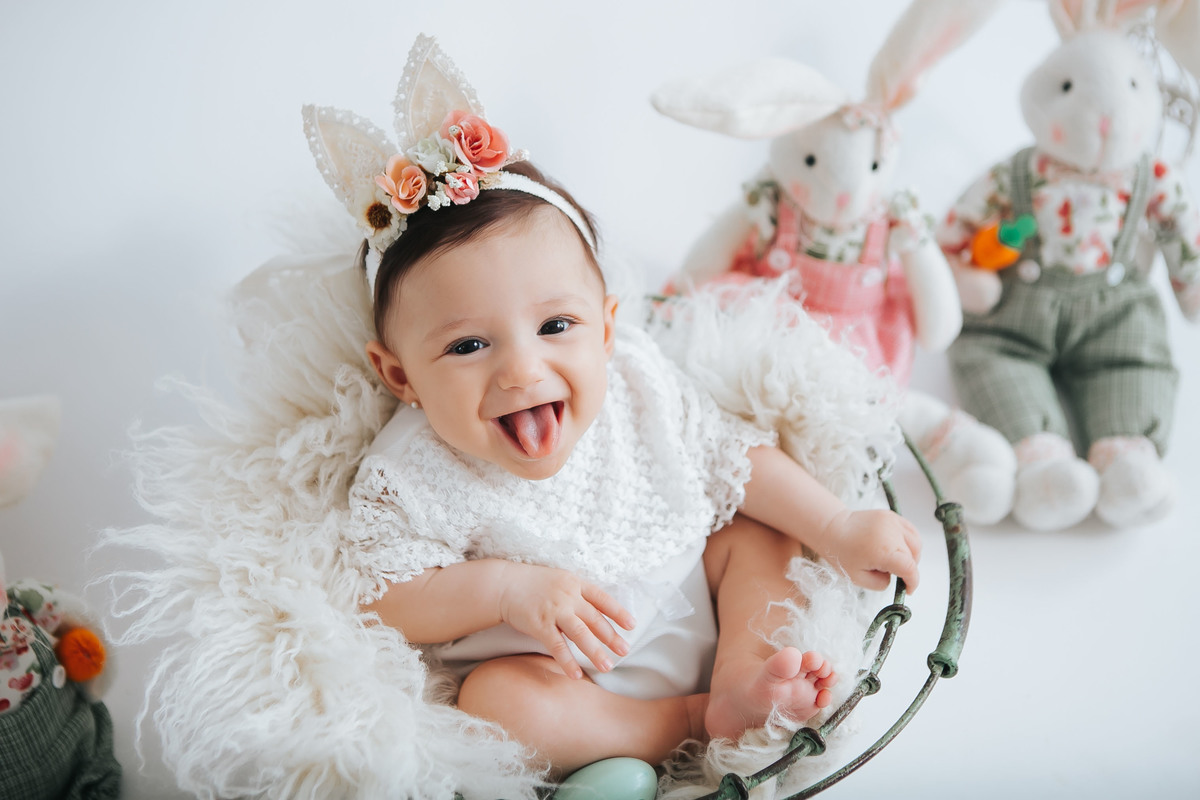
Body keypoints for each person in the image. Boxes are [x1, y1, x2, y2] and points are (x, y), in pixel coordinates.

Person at [342, 141, 921, 773]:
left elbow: (732, 455)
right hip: (563, 670)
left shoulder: (637, 382)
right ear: (400, 376)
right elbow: (385, 593)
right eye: (469, 345)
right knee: (495, 702)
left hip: (694, 589)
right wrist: (507, 591)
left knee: (757, 531)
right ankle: (687, 722)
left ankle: (743, 672)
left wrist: (836, 526)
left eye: (555, 326)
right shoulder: (407, 472)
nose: (523, 370)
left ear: (607, 328)